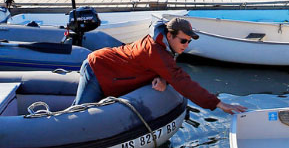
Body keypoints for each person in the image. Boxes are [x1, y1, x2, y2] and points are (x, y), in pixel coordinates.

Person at [73, 17, 246, 114]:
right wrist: (218, 103)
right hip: (98, 68)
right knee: (78, 115)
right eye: (183, 40)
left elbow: (166, 68)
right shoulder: (155, 50)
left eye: (189, 41)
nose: (186, 45)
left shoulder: (165, 44)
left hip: (113, 72)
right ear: (170, 36)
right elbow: (181, 80)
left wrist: (162, 77)